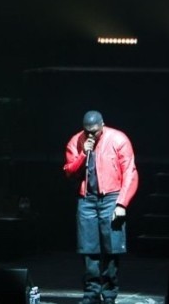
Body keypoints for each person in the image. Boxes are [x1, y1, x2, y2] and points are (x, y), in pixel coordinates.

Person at [63, 110, 138, 304]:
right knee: (88, 249)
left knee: (112, 249)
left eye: (94, 131)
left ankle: (110, 295)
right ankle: (91, 294)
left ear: (102, 125)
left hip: (111, 198)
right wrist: (83, 153)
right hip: (87, 199)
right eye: (87, 131)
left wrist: (122, 203)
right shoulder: (76, 141)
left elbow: (130, 172)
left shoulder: (118, 139)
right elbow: (69, 171)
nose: (91, 135)